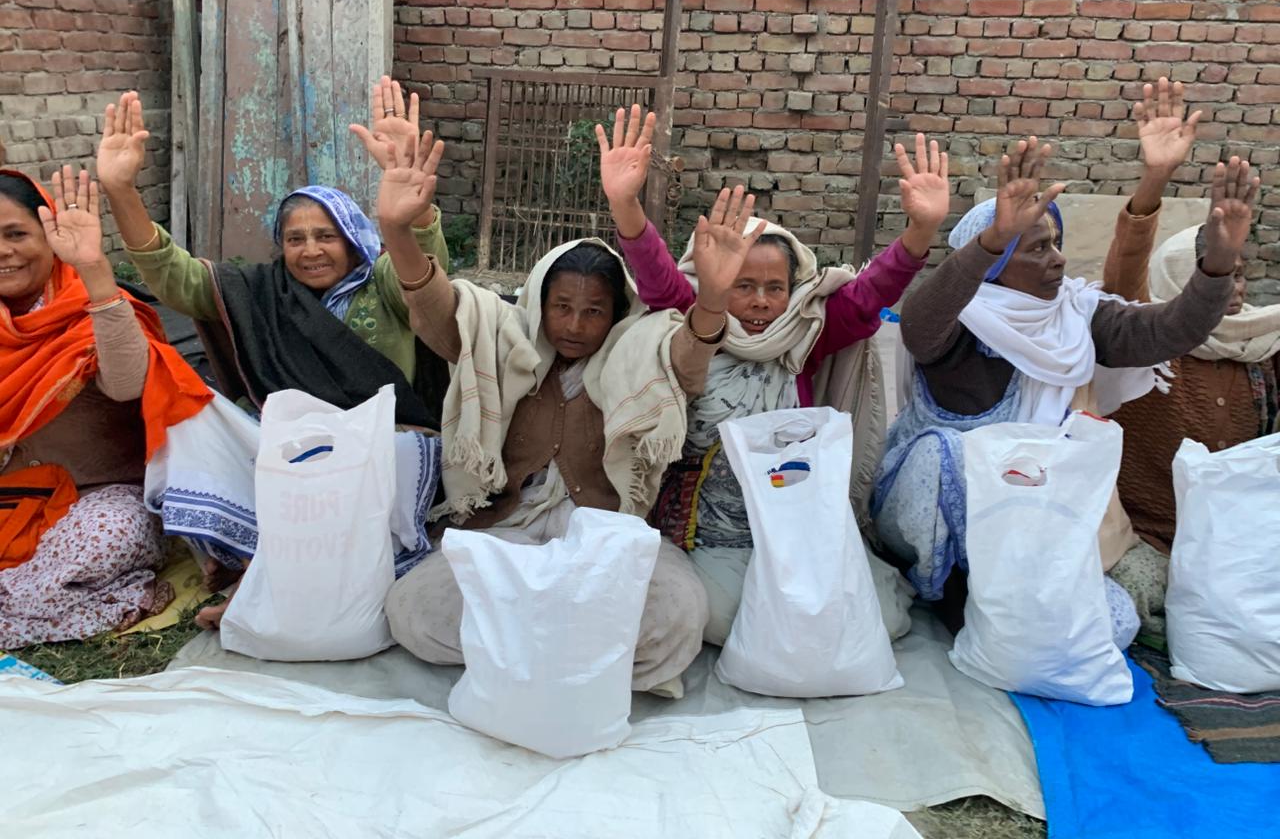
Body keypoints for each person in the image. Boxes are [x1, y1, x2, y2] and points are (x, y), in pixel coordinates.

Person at [376, 130, 762, 696]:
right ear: (538, 300)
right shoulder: (497, 337)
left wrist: (712, 300)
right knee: (415, 609)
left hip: (607, 536)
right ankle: (578, 664)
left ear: (616, 313)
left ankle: (518, 660)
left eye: (593, 311)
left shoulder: (643, 350)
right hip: (504, 531)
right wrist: (396, 231)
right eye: (561, 307)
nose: (576, 325)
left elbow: (688, 356)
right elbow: (435, 306)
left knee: (679, 613)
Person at [872, 134, 1253, 649]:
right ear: (994, 264)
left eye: (1056, 243)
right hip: (934, 509)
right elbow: (919, 325)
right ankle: (950, 592)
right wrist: (992, 239)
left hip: (1030, 512)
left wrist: (1218, 266)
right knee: (949, 455)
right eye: (1036, 248)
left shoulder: (1075, 315)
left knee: (1114, 622)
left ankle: (1013, 597)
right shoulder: (961, 318)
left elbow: (1168, 331)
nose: (1057, 260)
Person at [101, 83, 451, 628]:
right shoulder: (259, 292)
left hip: (383, 444)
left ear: (353, 237)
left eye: (326, 236)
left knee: (397, 457)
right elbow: (176, 278)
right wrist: (122, 192)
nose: (310, 251)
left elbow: (423, 272)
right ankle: (259, 569)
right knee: (192, 419)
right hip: (292, 448)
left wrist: (412, 216)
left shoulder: (383, 281)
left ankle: (312, 580)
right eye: (295, 239)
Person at [596, 106, 950, 644]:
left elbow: (870, 294)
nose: (761, 302)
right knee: (724, 622)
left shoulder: (806, 334)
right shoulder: (695, 316)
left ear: (793, 291)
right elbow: (658, 276)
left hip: (794, 524)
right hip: (708, 532)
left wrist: (921, 230)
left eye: (775, 288)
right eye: (743, 285)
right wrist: (626, 205)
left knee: (879, 618)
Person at [0, 165, 211, 646]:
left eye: (16, 234)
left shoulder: (94, 309)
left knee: (110, 535)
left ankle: (35, 599)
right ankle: (75, 603)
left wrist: (95, 270)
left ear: (50, 237)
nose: (3, 251)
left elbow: (129, 384)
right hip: (10, 500)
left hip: (95, 502)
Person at [1102, 80, 1270, 561]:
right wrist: (1155, 178)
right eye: (1213, 274)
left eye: (1237, 274)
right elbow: (1123, 276)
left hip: (1238, 539)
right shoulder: (1149, 337)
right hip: (1147, 537)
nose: (1231, 288)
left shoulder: (1263, 340)